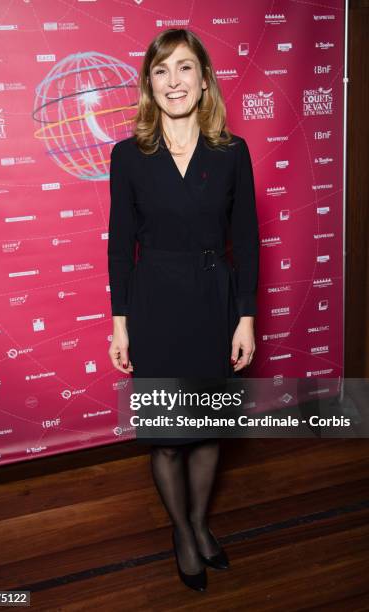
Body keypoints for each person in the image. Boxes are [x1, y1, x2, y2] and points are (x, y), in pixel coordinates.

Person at [107, 28, 259, 592]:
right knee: (169, 436)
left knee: (209, 428)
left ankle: (198, 523)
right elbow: (121, 246)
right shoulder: (128, 155)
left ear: (204, 78)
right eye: (162, 70)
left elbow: (244, 238)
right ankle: (180, 531)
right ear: (149, 82)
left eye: (185, 68)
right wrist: (120, 324)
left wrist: (244, 316)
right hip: (155, 303)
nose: (174, 81)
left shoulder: (231, 151)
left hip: (213, 300)